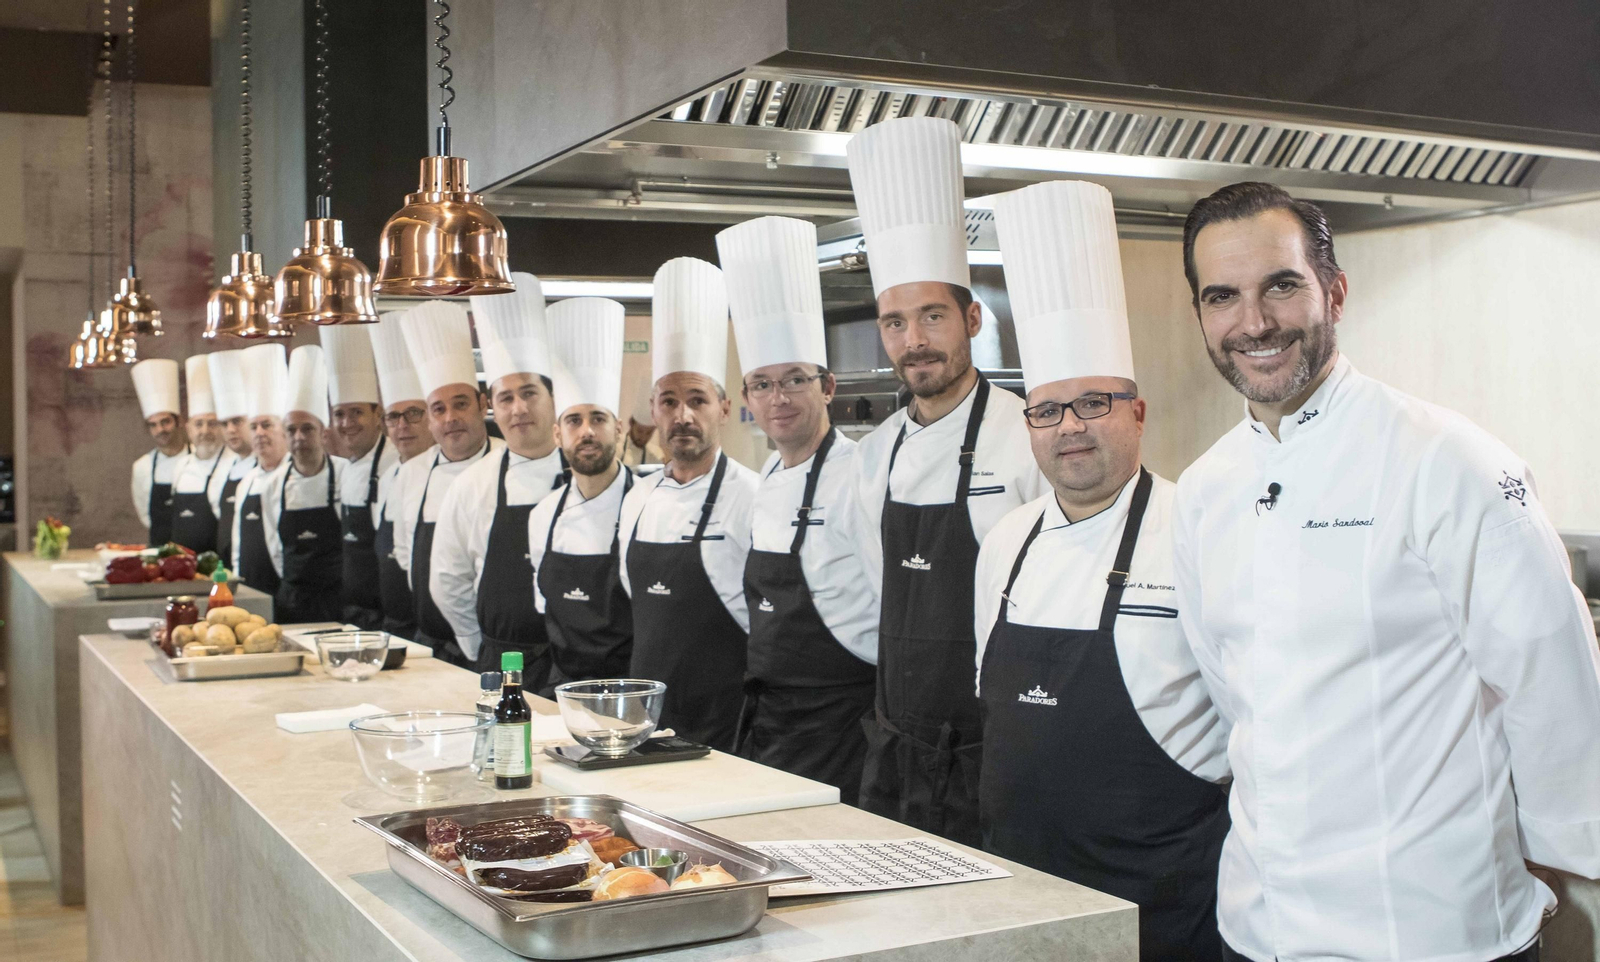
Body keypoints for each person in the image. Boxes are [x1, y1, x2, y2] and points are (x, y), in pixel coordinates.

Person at [1171, 182, 1600, 962]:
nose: (1254, 322)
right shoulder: (1203, 490)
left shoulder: (1448, 461)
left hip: (1431, 928)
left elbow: (1554, 679)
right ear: (1201, 314)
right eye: (1223, 296)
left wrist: (1575, 878)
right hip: (1258, 927)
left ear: (1335, 290)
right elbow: (1232, 691)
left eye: (1282, 286)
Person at [972, 181, 1230, 961]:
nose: (1071, 428)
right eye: (1048, 410)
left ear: (1138, 412)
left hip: (1165, 896)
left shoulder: (1201, 530)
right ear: (1029, 428)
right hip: (1020, 891)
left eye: (1095, 403)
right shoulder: (1005, 542)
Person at [844, 116, 1044, 846]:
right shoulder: (875, 456)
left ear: (972, 317)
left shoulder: (1027, 437)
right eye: (895, 323)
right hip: (895, 744)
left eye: (932, 315)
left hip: (994, 747)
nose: (914, 340)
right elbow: (874, 588)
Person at [717, 215, 879, 804]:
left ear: (828, 387)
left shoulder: (861, 475)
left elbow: (891, 605)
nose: (778, 399)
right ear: (747, 399)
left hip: (841, 718)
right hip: (769, 718)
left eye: (794, 380)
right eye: (762, 384)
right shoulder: (767, 477)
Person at [619, 257, 758, 751]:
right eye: (669, 401)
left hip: (725, 719)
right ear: (653, 410)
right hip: (644, 720)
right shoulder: (637, 496)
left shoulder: (752, 496)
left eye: (697, 400)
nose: (682, 416)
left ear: (724, 407)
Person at [432, 275, 567, 676]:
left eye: (529, 393)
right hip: (500, 665)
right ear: (492, 406)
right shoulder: (472, 484)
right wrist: (481, 648)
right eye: (505, 398)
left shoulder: (586, 478)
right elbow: (447, 579)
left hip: (576, 667)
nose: (518, 409)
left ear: (552, 397)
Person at [528, 298, 633, 695]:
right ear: (558, 435)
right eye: (574, 420)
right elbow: (545, 610)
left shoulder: (647, 506)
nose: (586, 431)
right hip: (563, 693)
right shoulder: (543, 516)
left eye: (598, 419)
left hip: (633, 693)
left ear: (618, 428)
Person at [390, 301, 503, 665]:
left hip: (487, 649)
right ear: (429, 418)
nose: (451, 418)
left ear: (483, 404)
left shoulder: (506, 463)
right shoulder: (411, 474)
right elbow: (407, 555)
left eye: (460, 404)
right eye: (438, 408)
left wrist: (472, 642)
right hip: (427, 645)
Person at [257, 345, 347, 624]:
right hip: (292, 603)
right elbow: (275, 548)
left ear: (324, 433)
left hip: (340, 600)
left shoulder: (345, 474)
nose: (299, 437)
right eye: (291, 430)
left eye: (307, 428)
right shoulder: (273, 486)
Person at [322, 325, 397, 630]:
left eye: (356, 413)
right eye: (339, 414)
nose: (346, 423)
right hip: (352, 614)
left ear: (378, 414)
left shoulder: (394, 464)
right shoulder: (345, 467)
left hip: (385, 616)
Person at [367, 311, 432, 640]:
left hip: (429, 630)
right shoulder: (389, 474)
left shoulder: (450, 477)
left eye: (413, 413)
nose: (402, 425)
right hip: (391, 628)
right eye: (394, 416)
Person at [231, 344, 290, 598]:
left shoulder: (295, 477)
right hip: (250, 597)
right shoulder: (246, 482)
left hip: (286, 596)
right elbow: (237, 546)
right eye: (253, 426)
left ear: (285, 429)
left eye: (267, 425)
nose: (259, 433)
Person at [169, 355, 237, 554]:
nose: (205, 431)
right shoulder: (181, 466)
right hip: (181, 570)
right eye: (199, 424)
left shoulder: (232, 465)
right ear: (189, 428)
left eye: (212, 423)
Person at [129, 358, 189, 545]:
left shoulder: (198, 461)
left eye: (165, 422)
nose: (160, 430)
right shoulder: (142, 467)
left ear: (178, 421)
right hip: (158, 552)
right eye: (153, 425)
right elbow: (145, 515)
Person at [206, 350, 255, 569]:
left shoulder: (268, 470)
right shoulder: (223, 470)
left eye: (237, 421)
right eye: (225, 424)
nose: (231, 430)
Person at [619, 399, 665, 468]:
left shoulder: (656, 455)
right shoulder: (616, 445)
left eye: (649, 433)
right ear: (631, 423)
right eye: (639, 431)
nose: (643, 437)